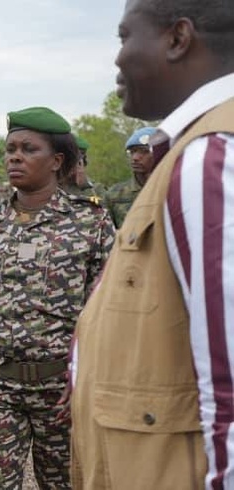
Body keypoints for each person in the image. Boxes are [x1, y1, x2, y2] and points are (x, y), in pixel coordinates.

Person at [71, 1, 234, 487]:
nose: (117, 59)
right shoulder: (189, 152)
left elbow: (228, 388)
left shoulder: (209, 157)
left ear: (178, 39)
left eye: (125, 37)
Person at [0, 107, 114, 488]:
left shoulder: (91, 222)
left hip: (63, 391)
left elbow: (107, 312)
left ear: (57, 161)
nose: (15, 157)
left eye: (28, 149)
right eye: (10, 149)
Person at [103, 126, 157, 228]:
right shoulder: (115, 195)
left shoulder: (173, 190)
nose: (135, 158)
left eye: (144, 151)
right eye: (132, 152)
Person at [61, 135, 104, 203]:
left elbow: (101, 209)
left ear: (81, 163)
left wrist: (85, 187)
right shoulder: (49, 186)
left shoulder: (96, 188)